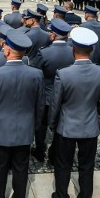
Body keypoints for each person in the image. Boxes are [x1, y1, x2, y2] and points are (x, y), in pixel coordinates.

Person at [0, 29, 45, 198]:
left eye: (5, 46)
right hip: (25, 130)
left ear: (8, 51)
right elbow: (39, 106)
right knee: (21, 167)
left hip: (0, 130)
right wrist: (34, 127)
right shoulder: (36, 74)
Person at [49, 27, 100, 198]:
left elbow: (55, 104)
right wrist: (99, 122)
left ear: (73, 49)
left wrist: (53, 124)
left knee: (63, 164)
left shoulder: (64, 73)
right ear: (91, 50)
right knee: (87, 166)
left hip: (67, 127)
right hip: (90, 126)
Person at [30, 18, 74, 163]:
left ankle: (40, 150)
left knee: (41, 125)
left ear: (53, 35)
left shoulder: (44, 53)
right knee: (60, 125)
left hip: (46, 95)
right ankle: (55, 152)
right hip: (64, 95)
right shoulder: (72, 52)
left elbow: (36, 73)